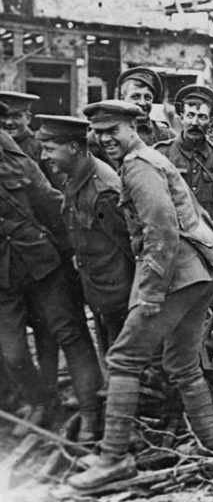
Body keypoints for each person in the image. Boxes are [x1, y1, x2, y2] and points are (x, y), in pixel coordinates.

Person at [70, 100, 213, 489]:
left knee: (123, 359)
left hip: (175, 273)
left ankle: (113, 459)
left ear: (133, 128)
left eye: (113, 131)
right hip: (201, 271)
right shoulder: (148, 159)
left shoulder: (140, 168)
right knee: (182, 363)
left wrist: (152, 293)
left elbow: (162, 231)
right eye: (99, 132)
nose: (105, 139)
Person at [0, 110, 103, 439]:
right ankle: (41, 403)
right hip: (2, 277)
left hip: (40, 265)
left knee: (70, 336)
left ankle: (89, 411)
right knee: (12, 350)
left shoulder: (18, 164)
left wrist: (78, 251)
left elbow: (53, 206)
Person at [37, 115, 134, 354]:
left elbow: (131, 247)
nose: (43, 157)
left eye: (49, 149)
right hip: (100, 290)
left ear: (73, 148)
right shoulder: (74, 177)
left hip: (119, 297)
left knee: (126, 361)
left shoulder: (103, 191)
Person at [155, 85, 213, 239]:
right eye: (190, 115)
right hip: (177, 237)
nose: (195, 123)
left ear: (211, 121)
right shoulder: (161, 153)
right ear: (182, 118)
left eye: (202, 117)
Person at [116, 67, 176, 146]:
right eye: (135, 97)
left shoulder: (167, 136)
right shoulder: (109, 133)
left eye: (147, 97)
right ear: (122, 99)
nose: (142, 103)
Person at [0, 91, 42, 163]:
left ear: (28, 119)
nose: (9, 122)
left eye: (16, 117)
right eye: (4, 116)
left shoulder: (39, 146)